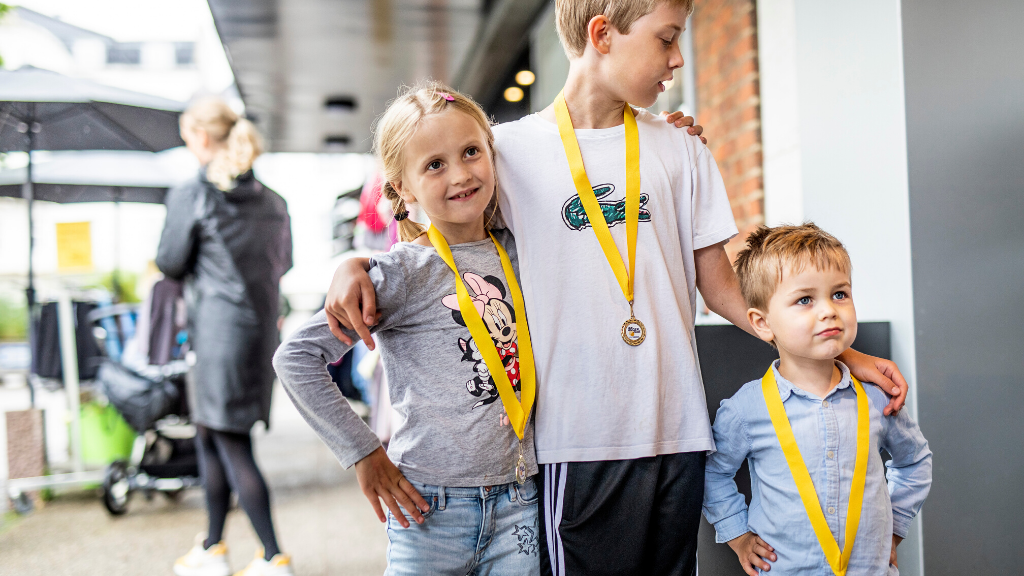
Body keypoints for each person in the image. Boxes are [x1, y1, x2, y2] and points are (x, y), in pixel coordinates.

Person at [326, 2, 909, 575]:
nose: (678, 58)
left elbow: (723, 288)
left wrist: (842, 352)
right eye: (666, 38)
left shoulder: (682, 148)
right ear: (603, 34)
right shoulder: (507, 154)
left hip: (677, 429)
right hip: (575, 442)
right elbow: (441, 230)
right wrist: (355, 263)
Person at [273, 83, 541, 575]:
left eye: (471, 152)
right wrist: (363, 453)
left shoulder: (523, 248)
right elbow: (295, 360)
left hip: (521, 502)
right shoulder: (399, 273)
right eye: (434, 164)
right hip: (428, 511)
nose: (461, 174)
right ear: (401, 188)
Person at [703, 224, 932, 576]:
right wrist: (738, 535)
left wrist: (894, 529)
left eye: (839, 294)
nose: (828, 310)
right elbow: (712, 474)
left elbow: (915, 462)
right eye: (805, 300)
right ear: (762, 324)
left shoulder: (875, 398)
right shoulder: (746, 410)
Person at [157, 96, 294, 576]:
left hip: (217, 336)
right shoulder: (274, 202)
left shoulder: (193, 193)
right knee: (211, 437)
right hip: (258, 335)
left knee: (232, 444)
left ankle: (274, 557)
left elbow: (170, 261)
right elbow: (285, 263)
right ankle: (213, 548)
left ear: (199, 137)